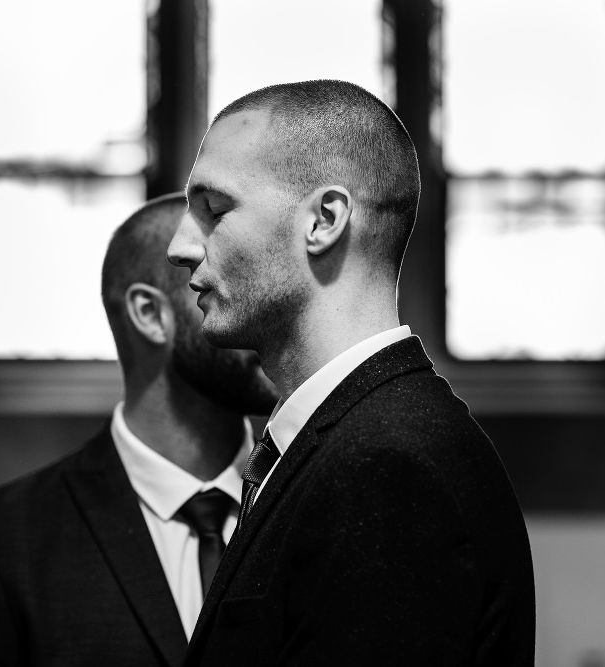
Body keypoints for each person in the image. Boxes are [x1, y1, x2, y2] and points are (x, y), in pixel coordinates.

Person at [167, 80, 535, 665]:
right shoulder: (345, 438)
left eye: (214, 209)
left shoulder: (389, 466)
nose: (180, 246)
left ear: (325, 220)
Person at [0, 193, 278, 666]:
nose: (266, 315)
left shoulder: (317, 501)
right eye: (225, 286)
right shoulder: (1, 542)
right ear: (149, 314)